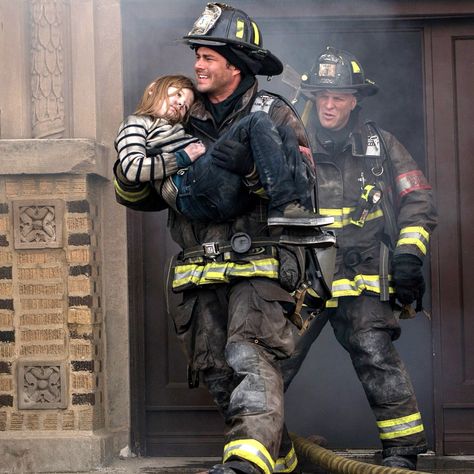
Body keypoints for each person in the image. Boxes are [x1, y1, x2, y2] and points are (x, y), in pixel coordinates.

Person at [114, 4, 333, 474]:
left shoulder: (272, 113)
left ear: (236, 64)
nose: (197, 65)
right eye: (197, 54)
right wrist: (139, 172)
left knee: (248, 351)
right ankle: (276, 452)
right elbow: (140, 196)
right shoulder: (179, 118)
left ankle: (245, 465)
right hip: (198, 268)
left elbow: (301, 183)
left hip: (262, 263)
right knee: (218, 370)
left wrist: (251, 173)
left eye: (209, 56)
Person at [280, 46, 438, 471]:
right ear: (312, 97)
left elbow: (417, 200)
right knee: (275, 362)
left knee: (377, 357)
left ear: (354, 100)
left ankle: (403, 453)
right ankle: (263, 449)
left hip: (363, 277)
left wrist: (408, 256)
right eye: (322, 97)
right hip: (301, 281)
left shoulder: (381, 146)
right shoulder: (289, 143)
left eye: (339, 97)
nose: (329, 105)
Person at [114, 74, 325, 228]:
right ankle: (285, 206)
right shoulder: (137, 122)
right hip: (187, 189)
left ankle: (300, 217)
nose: (180, 104)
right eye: (177, 94)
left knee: (285, 133)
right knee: (256, 122)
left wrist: (250, 169)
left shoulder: (177, 127)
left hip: (218, 193)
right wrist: (182, 157)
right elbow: (133, 168)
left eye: (186, 105)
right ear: (152, 88)